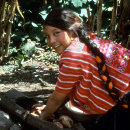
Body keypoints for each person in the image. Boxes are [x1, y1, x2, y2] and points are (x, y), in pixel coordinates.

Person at [33, 7, 130, 129]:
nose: (51, 40)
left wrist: (42, 116)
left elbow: (57, 99)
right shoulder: (89, 41)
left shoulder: (71, 56)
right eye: (47, 36)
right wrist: (49, 108)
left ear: (71, 31)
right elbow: (65, 91)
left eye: (56, 33)